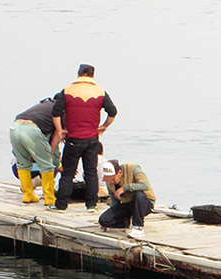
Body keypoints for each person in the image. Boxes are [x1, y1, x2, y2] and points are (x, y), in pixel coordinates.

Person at [50, 64, 117, 212]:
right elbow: (113, 112)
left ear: (78, 74)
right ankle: (91, 205)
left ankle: (61, 205)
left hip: (73, 139)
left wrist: (60, 130)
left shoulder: (67, 90)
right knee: (91, 172)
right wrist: (104, 126)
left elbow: (55, 112)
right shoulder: (100, 92)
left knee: (67, 173)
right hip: (92, 139)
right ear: (93, 76)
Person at [9, 97, 61, 206]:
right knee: (47, 165)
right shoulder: (60, 110)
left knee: (23, 163)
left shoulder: (44, 105)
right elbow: (58, 134)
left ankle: (28, 195)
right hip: (32, 129)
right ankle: (50, 198)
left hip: (15, 126)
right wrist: (51, 154)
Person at [99, 160, 156, 238]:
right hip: (128, 204)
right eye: (109, 179)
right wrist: (111, 217)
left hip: (144, 202)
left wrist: (125, 188)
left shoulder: (133, 168)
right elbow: (113, 200)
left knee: (138, 193)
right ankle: (125, 223)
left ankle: (138, 227)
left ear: (119, 172)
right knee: (103, 220)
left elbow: (144, 185)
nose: (111, 182)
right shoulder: (109, 182)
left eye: (113, 179)